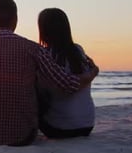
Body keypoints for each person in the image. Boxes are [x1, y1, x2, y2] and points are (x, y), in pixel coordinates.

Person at [0, 0, 98, 146]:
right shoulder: (34, 49)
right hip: (25, 136)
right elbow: (68, 84)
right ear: (16, 20)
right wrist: (92, 73)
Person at [36, 8, 95, 138]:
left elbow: (64, 87)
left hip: (58, 128)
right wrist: (94, 72)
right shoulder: (78, 50)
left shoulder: (44, 55)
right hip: (87, 125)